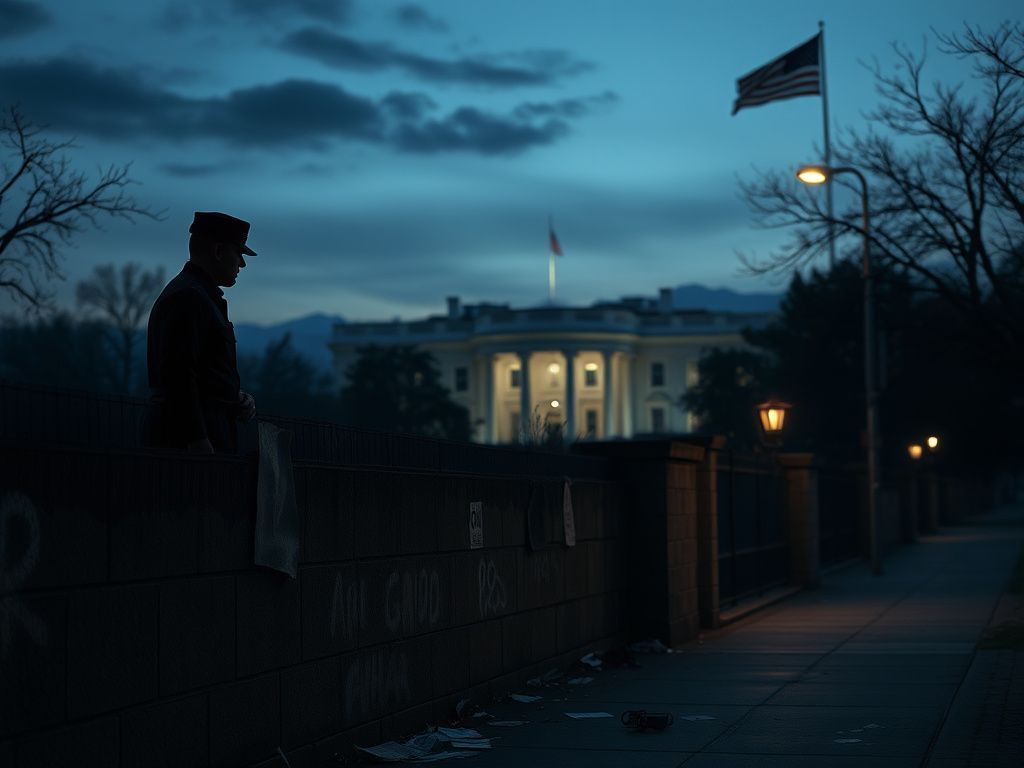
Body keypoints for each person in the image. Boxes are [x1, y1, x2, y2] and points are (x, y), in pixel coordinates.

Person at [145, 211, 258, 454]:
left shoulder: (194, 294)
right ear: (218, 252)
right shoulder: (190, 298)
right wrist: (197, 438)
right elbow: (179, 374)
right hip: (192, 443)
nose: (242, 263)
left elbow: (199, 373)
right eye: (238, 253)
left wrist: (232, 398)